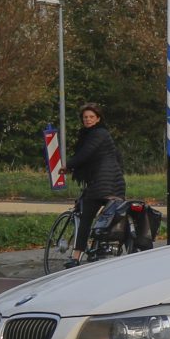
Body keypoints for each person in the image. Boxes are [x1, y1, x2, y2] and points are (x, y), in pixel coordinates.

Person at [65, 102, 125, 264]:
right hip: (115, 183)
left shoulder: (97, 133)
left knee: (86, 217)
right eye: (85, 117)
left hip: (103, 182)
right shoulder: (101, 134)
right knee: (108, 219)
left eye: (91, 117)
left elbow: (85, 154)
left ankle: (76, 257)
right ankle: (99, 250)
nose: (88, 120)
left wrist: (67, 166)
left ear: (98, 119)